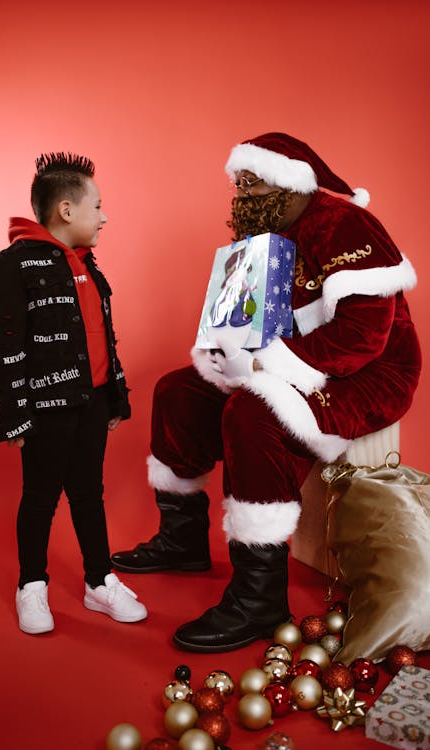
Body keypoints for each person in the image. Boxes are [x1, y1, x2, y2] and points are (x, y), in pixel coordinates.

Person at [111, 132, 421, 653]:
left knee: (253, 412)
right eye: (240, 184)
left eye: (253, 183)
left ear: (290, 182)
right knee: (177, 391)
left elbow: (364, 337)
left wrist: (263, 365)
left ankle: (260, 599)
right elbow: (241, 319)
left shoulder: (344, 224)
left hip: (365, 374)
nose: (243, 193)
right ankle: (183, 540)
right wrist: (222, 350)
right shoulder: (263, 229)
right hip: (281, 356)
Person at [0, 152, 147, 634]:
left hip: (92, 401)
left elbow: (103, 336)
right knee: (39, 497)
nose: (104, 216)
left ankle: (99, 581)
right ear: (66, 211)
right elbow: (4, 343)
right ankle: (31, 584)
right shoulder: (13, 264)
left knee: (88, 492)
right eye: (97, 205)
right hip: (45, 407)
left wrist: (115, 395)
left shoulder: (88, 266)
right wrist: (16, 412)